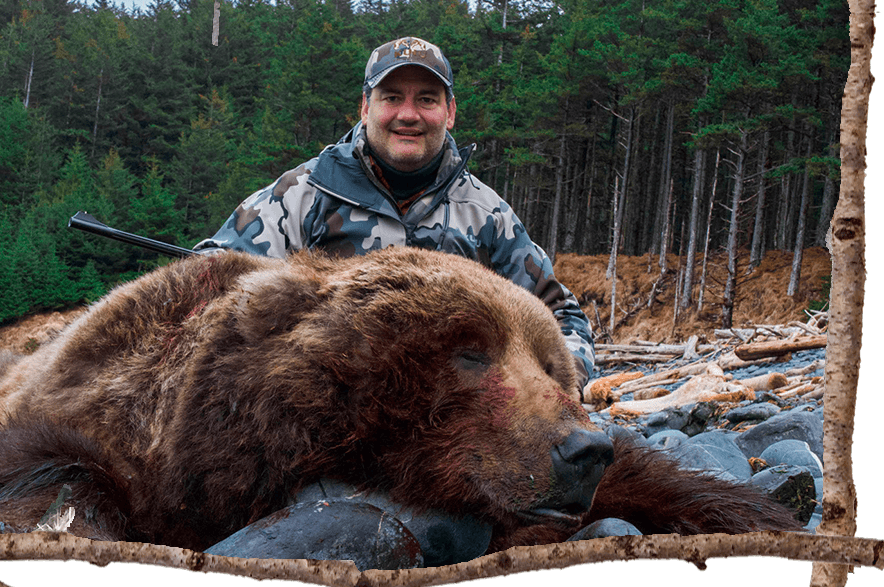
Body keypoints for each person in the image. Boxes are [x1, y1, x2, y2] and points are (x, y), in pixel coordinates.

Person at [195, 36, 595, 386]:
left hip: (458, 419)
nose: (408, 114)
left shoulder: (486, 216)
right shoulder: (302, 196)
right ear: (365, 107)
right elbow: (210, 276)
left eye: (426, 99)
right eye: (391, 97)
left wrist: (564, 384)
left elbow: (562, 316)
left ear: (450, 112)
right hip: (329, 405)